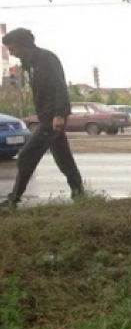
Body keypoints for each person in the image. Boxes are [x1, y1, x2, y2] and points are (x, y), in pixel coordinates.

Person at [1, 28, 84, 208]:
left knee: (25, 156)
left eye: (12, 49)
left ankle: (14, 199)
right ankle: (80, 195)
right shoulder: (30, 63)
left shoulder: (45, 59)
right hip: (47, 116)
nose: (12, 54)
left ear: (23, 45)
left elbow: (59, 87)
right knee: (64, 158)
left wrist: (60, 114)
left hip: (52, 118)